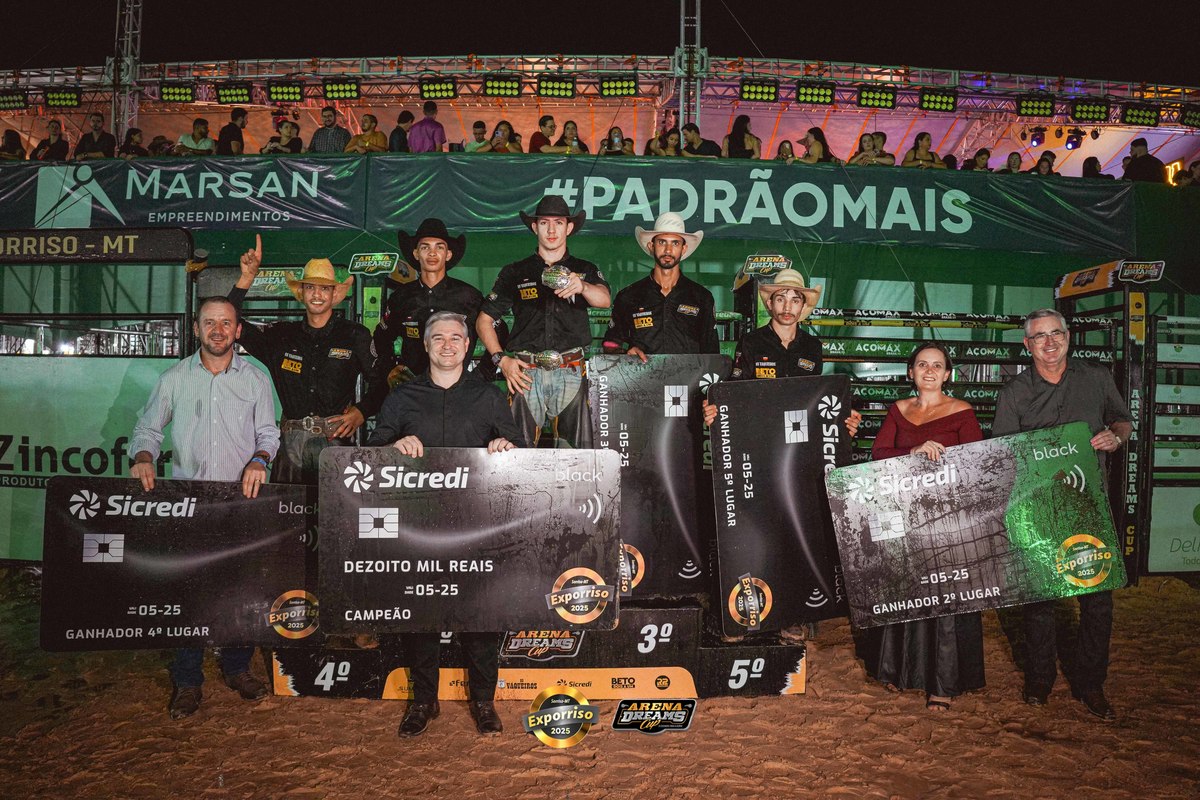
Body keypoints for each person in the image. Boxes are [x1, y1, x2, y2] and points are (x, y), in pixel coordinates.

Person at [367, 311, 523, 738]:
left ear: (468, 345)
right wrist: (394, 444)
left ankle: (484, 701)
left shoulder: (489, 396)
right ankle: (423, 701)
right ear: (426, 345)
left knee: (481, 614)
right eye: (439, 338)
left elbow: (521, 449)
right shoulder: (402, 397)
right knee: (422, 615)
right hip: (419, 524)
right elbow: (373, 449)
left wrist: (505, 444)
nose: (448, 344)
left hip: (478, 524)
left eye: (456, 337)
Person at [128, 295, 280, 720]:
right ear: (196, 329)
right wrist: (143, 456)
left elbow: (269, 434)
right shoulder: (174, 378)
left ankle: (237, 668)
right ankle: (187, 679)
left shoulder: (256, 380)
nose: (218, 330)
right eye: (209, 322)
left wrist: (260, 459)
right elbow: (147, 430)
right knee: (189, 591)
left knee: (240, 587)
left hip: (240, 502)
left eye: (226, 323)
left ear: (238, 330)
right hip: (188, 504)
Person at [992, 308, 1132, 721]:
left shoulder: (1096, 378)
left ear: (1068, 337)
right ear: (1027, 345)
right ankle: (1039, 680)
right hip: (1038, 508)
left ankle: (1091, 683)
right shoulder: (1014, 392)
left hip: (1089, 506)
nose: (1049, 342)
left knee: (1098, 599)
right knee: (1040, 599)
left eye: (1056, 333)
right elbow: (1002, 451)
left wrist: (1115, 437)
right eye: (1040, 336)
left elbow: (1123, 420)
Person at [858, 342, 986, 711]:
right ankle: (900, 671)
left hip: (948, 522)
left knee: (945, 598)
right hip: (904, 518)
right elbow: (878, 454)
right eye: (922, 364)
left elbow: (977, 465)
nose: (929, 371)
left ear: (948, 374)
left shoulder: (962, 412)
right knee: (906, 592)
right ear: (911, 371)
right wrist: (912, 453)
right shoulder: (898, 410)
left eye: (937, 365)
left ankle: (943, 684)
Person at [230, 237, 387, 485]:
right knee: (286, 509)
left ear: (334, 294)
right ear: (301, 293)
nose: (317, 294)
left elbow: (382, 383)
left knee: (336, 509)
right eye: (311, 287)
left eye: (324, 288)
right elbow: (228, 322)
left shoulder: (355, 335)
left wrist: (362, 411)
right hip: (290, 447)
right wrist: (246, 279)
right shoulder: (280, 336)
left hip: (336, 444)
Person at [476, 196, 610, 448]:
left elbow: (604, 300)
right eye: (545, 222)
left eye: (558, 223)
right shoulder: (515, 272)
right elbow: (484, 320)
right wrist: (501, 360)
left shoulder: (584, 269)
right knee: (515, 451)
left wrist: (582, 286)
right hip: (525, 373)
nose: (551, 230)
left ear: (569, 228)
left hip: (571, 370)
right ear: (534, 227)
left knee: (575, 456)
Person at [373, 218, 483, 383]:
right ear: (416, 254)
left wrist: (482, 374)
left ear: (448, 254)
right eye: (425, 247)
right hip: (413, 387)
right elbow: (381, 336)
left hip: (459, 388)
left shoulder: (469, 296)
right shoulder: (401, 297)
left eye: (439, 247)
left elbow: (498, 332)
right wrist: (389, 368)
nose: (432, 253)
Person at [604, 212, 717, 359]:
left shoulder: (702, 297)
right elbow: (610, 344)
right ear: (651, 246)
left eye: (675, 243)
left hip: (690, 374)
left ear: (683, 249)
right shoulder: (628, 296)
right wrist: (626, 354)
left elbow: (712, 354)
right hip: (642, 374)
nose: (668, 250)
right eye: (662, 242)